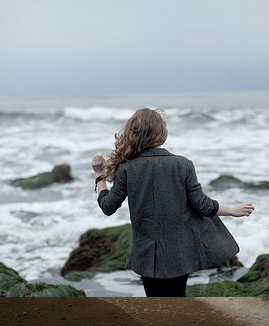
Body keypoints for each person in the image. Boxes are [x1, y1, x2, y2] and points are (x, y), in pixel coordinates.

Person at [91, 108, 254, 297]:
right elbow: (203, 205)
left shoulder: (127, 168)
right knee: (178, 302)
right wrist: (232, 210)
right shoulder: (182, 164)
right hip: (180, 254)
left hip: (146, 254)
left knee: (156, 306)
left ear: (131, 134)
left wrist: (99, 175)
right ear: (161, 133)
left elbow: (107, 206)